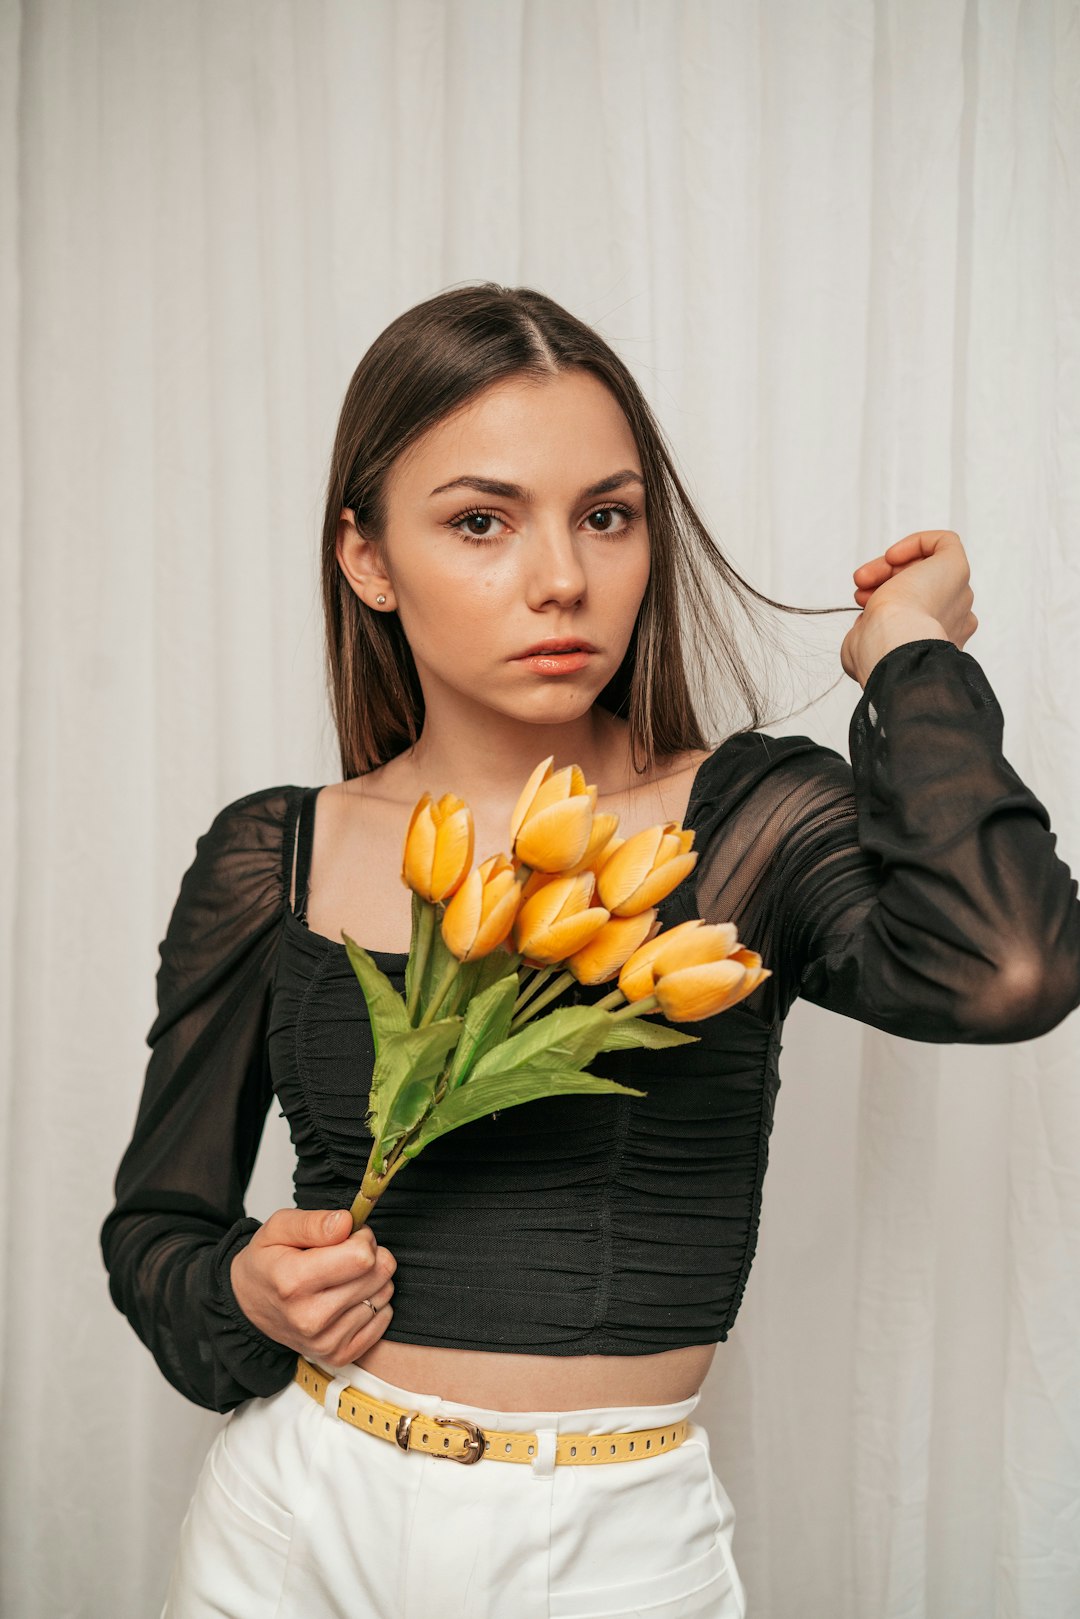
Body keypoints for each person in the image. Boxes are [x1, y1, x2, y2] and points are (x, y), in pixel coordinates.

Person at [100, 283, 1080, 1619]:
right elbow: (157, 1231)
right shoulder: (272, 853)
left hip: (607, 1542)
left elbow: (1009, 967)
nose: (560, 577)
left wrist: (908, 659)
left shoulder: (749, 824)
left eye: (605, 517)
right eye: (480, 521)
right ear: (368, 558)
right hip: (292, 1521)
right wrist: (247, 1291)